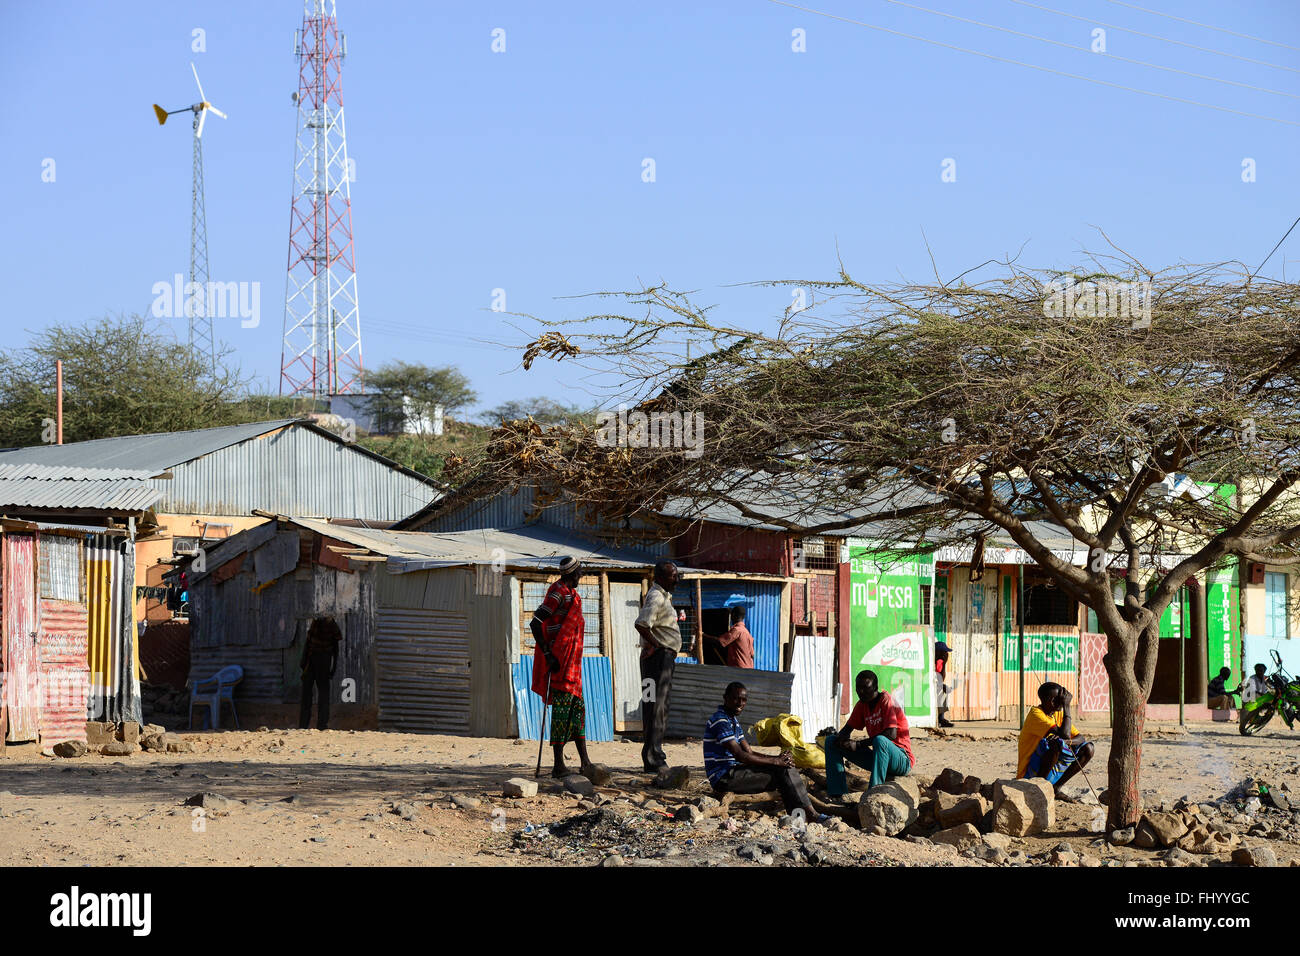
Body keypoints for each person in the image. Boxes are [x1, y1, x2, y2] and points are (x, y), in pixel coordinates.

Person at [705, 681, 830, 823]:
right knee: (783, 771)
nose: (740, 703)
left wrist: (778, 758)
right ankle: (810, 815)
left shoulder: (732, 720)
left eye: (744, 699)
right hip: (723, 777)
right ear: (725, 698)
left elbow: (749, 752)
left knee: (783, 768)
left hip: (734, 771)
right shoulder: (720, 721)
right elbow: (740, 755)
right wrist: (776, 761)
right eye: (736, 698)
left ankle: (799, 815)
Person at [530, 556, 595, 778]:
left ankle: (585, 761)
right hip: (559, 662)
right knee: (561, 712)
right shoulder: (558, 593)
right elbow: (536, 622)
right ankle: (558, 764)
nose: (581, 576)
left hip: (572, 663)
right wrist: (548, 654)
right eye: (579, 573)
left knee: (577, 709)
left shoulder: (572, 595)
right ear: (571, 574)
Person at [822, 669, 915, 798]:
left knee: (880, 740)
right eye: (858, 688)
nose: (861, 692)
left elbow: (891, 733)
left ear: (875, 687)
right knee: (831, 741)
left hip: (901, 760)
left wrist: (858, 744)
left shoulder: (886, 701)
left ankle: (872, 794)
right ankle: (837, 794)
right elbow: (846, 730)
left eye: (865, 688)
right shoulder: (862, 705)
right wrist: (840, 739)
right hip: (880, 758)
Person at [636, 560, 682, 772]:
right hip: (658, 659)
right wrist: (655, 645)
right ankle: (655, 757)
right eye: (673, 575)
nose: (677, 578)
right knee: (656, 706)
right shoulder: (656, 596)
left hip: (655, 659)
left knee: (651, 705)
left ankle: (650, 756)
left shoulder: (662, 596)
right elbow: (641, 623)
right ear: (662, 577)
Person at [1017, 682, 1095, 792]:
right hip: (1029, 773)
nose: (1063, 702)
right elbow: (1065, 734)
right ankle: (1039, 787)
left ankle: (1056, 788)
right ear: (1052, 701)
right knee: (1056, 744)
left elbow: (1080, 738)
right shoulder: (1036, 715)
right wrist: (1067, 707)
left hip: (1048, 768)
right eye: (1060, 700)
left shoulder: (1056, 714)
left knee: (1088, 748)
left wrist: (1067, 742)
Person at [299, 616, 341, 730]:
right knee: (307, 694)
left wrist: (333, 667)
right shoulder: (316, 623)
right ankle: (303, 725)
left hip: (324, 660)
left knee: (323, 694)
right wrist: (304, 662)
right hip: (312, 660)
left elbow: (335, 649)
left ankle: (322, 726)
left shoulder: (332, 625)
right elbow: (308, 643)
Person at [713, 605, 754, 669]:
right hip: (749, 668)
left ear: (733, 615)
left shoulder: (736, 630)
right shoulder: (747, 633)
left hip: (738, 668)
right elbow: (752, 655)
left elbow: (720, 642)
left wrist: (703, 635)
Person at [934, 640, 953, 727]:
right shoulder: (937, 662)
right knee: (941, 691)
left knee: (943, 690)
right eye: (944, 652)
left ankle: (941, 717)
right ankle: (940, 718)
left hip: (936, 683)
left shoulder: (940, 662)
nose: (946, 654)